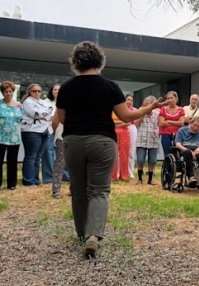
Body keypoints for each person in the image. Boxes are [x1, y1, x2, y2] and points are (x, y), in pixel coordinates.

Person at [56, 41, 167, 258]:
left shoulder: (66, 88)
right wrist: (149, 108)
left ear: (75, 62)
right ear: (100, 61)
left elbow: (61, 118)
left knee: (78, 191)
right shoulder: (110, 86)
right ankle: (93, 236)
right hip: (103, 142)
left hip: (73, 141)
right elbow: (126, 116)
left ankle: (81, 234)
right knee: (98, 190)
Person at [0, 80, 22, 191]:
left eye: (10, 91)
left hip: (14, 137)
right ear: (2, 92)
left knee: (12, 161)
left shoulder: (18, 105)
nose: (8, 93)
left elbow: (20, 120)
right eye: (6, 91)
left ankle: (12, 184)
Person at [20, 84, 54, 186]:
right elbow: (35, 113)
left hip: (45, 130)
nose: (37, 93)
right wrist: (46, 114)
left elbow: (52, 111)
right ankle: (28, 180)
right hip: (31, 131)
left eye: (39, 91)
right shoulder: (27, 102)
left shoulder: (43, 102)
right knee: (31, 156)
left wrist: (45, 115)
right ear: (30, 92)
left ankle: (35, 179)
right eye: (34, 91)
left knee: (38, 156)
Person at [175, 116, 199, 188]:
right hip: (185, 150)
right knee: (187, 153)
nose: (196, 128)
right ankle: (191, 177)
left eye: (198, 126)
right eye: (194, 125)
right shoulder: (182, 130)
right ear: (190, 124)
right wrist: (187, 150)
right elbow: (178, 144)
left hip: (196, 150)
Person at [134, 95, 160, 185]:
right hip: (141, 139)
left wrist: (157, 132)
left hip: (153, 140)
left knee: (152, 161)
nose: (147, 107)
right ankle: (140, 179)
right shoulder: (139, 112)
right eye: (146, 105)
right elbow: (136, 123)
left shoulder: (157, 114)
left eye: (149, 105)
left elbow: (160, 125)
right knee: (140, 160)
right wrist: (143, 113)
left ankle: (150, 179)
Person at [40, 84, 59, 184]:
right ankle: (48, 177)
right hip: (48, 129)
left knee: (62, 153)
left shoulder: (67, 102)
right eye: (55, 89)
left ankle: (64, 175)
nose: (57, 91)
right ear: (51, 91)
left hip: (62, 130)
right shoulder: (45, 102)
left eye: (59, 90)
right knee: (48, 151)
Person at [159, 91, 185, 157]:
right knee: (167, 152)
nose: (170, 100)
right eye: (168, 98)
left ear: (176, 98)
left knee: (177, 152)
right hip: (165, 134)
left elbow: (181, 123)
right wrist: (176, 122)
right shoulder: (163, 109)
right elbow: (161, 123)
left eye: (171, 98)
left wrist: (168, 121)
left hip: (178, 134)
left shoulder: (181, 110)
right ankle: (167, 166)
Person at [111, 112, 130, 181]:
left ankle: (124, 175)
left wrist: (116, 124)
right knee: (113, 153)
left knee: (124, 153)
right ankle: (113, 176)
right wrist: (121, 123)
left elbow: (128, 122)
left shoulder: (124, 110)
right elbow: (110, 122)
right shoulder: (110, 110)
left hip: (124, 132)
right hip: (113, 132)